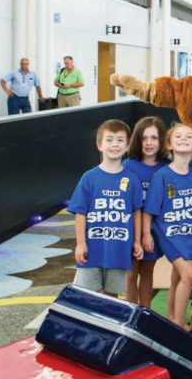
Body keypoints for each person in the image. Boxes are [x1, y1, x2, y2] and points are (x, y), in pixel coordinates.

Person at [144, 122, 192, 330]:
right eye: (178, 136)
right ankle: (178, 323)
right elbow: (150, 209)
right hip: (169, 234)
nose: (183, 138)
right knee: (189, 275)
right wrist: (146, 234)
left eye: (188, 136)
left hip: (189, 233)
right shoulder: (162, 176)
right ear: (169, 145)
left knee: (177, 278)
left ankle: (171, 317)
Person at [68, 119, 144, 297]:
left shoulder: (132, 180)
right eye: (109, 140)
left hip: (118, 251)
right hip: (91, 251)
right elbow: (80, 213)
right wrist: (80, 243)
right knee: (87, 296)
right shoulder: (89, 178)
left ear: (127, 146)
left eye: (120, 140)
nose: (115, 144)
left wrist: (137, 241)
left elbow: (136, 212)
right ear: (99, 145)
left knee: (111, 297)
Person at [122, 116, 170, 307]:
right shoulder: (128, 166)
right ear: (137, 140)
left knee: (148, 271)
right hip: (131, 227)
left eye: (154, 138)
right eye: (144, 138)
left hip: (154, 230)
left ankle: (145, 310)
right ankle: (130, 311)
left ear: (162, 140)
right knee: (131, 272)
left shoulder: (167, 167)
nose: (149, 143)